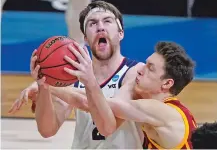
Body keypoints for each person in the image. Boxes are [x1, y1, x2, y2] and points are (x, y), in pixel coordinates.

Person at [9, 0, 143, 149]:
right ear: (85, 38)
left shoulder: (136, 73)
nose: (100, 27)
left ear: (121, 33)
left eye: (107, 21)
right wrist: (44, 86)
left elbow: (107, 127)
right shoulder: (71, 77)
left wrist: (60, 87)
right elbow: (47, 130)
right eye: (92, 23)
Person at [61, 41, 197, 149]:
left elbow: (90, 102)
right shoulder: (164, 110)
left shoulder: (161, 110)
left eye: (150, 68)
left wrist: (49, 85)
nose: (140, 70)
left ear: (167, 84)